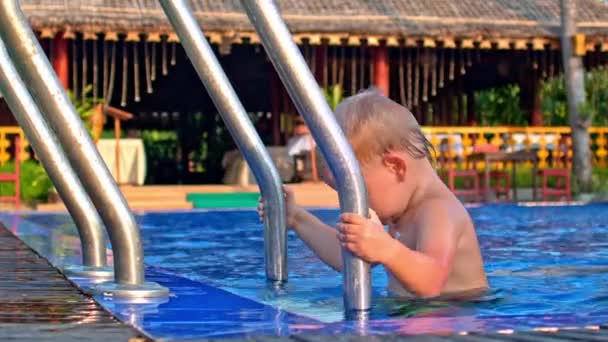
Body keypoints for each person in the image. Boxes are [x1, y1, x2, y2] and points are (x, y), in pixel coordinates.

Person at [258, 89, 487, 298]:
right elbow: (343, 257)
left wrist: (386, 248)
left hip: (454, 317)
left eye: (357, 191)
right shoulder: (402, 210)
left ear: (395, 167)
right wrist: (296, 218)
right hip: (415, 315)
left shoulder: (439, 211)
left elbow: (431, 282)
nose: (348, 203)